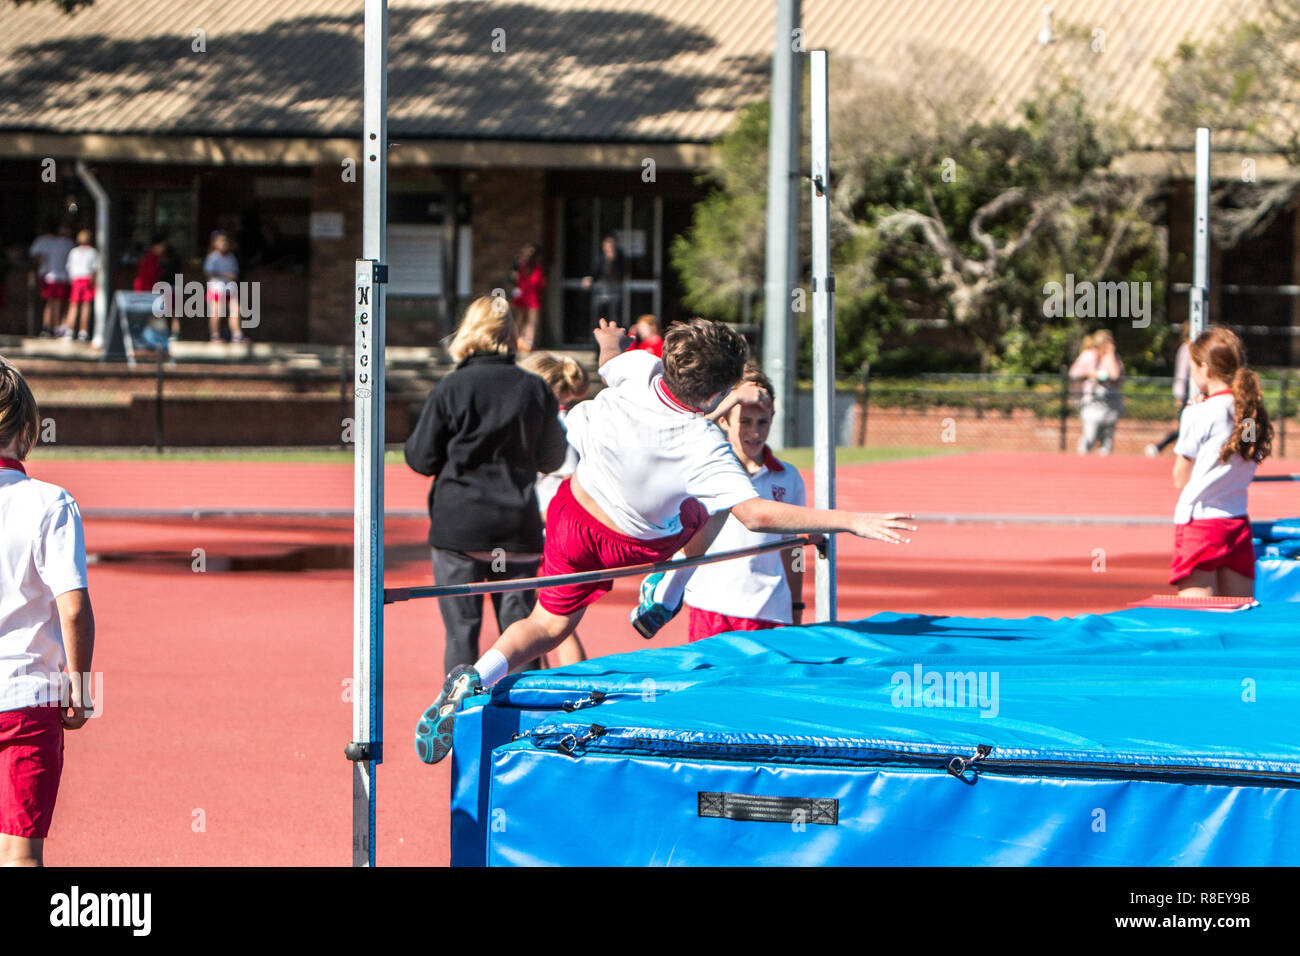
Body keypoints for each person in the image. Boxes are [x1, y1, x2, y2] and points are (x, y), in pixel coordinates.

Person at [414, 316, 917, 764]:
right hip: (632, 543)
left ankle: (475, 677)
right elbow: (757, 515)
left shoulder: (638, 371)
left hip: (571, 511)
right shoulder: (704, 445)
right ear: (719, 395)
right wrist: (848, 520)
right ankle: (669, 585)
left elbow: (612, 361)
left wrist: (609, 341)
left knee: (546, 623)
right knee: (712, 503)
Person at [405, 296, 568, 681]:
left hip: (459, 528)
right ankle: (525, 723)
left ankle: (456, 721)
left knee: (461, 632)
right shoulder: (534, 389)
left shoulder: (451, 387)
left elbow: (420, 458)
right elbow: (552, 458)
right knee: (522, 635)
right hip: (515, 526)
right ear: (510, 334)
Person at [0, 358, 95, 866]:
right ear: (29, 431)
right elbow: (73, 607)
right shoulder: (50, 504)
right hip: (25, 696)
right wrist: (79, 688)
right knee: (19, 853)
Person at [633, 362, 807, 642]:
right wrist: (734, 397)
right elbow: (684, 433)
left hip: (771, 612)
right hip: (712, 607)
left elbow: (795, 551)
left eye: (763, 422)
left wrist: (796, 603)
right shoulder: (707, 470)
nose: (755, 433)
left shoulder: (789, 478)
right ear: (725, 420)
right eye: (745, 422)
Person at [1169, 327, 1273, 598]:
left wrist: (1193, 414)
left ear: (1205, 368)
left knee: (1196, 625)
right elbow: (1249, 454)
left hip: (1202, 525)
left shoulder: (1198, 413)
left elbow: (1180, 478)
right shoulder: (1249, 413)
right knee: (1237, 622)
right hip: (1237, 524)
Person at [518, 351, 590, 667]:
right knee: (547, 622)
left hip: (551, 533)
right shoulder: (567, 422)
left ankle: (574, 686)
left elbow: (568, 485)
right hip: (555, 531)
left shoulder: (557, 427)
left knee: (552, 624)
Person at [1069, 329, 1125, 455]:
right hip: (1092, 403)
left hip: (1110, 404)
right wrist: (1089, 373)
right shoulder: (1088, 355)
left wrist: (1110, 355)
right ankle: (1081, 461)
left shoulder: (1113, 358)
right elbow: (1073, 373)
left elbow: (1115, 375)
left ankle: (1104, 471)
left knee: (1107, 442)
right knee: (1090, 437)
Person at [1146, 328, 1196, 456]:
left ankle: (1160, 447)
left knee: (1186, 427)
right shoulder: (1187, 348)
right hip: (1188, 393)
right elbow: (1182, 372)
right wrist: (1179, 395)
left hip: (1192, 393)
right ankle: (1160, 446)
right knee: (1184, 426)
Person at [28, 224, 74, 338]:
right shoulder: (70, 243)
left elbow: (40, 257)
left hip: (49, 276)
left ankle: (47, 326)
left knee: (50, 303)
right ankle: (56, 327)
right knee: (60, 303)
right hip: (63, 277)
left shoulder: (51, 243)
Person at [203, 231, 247, 344]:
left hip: (230, 289)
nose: (224, 243)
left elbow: (235, 273)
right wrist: (225, 274)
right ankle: (215, 336)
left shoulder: (231, 257)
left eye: (225, 241)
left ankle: (237, 335)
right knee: (216, 312)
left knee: (235, 311)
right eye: (221, 241)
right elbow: (208, 272)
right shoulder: (212, 257)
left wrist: (230, 276)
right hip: (216, 288)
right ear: (215, 243)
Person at [582, 235, 626, 327]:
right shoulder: (600, 258)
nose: (609, 248)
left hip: (614, 291)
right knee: (598, 316)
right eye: (607, 245)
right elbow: (595, 273)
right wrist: (588, 279)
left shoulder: (620, 258)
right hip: (600, 291)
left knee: (615, 316)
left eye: (611, 245)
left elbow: (621, 274)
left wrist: (612, 261)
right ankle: (596, 336)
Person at [63, 230, 98, 343]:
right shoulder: (92, 252)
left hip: (76, 279)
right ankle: (83, 332)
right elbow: (94, 269)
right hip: (87, 279)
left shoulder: (74, 252)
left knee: (73, 306)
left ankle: (69, 331)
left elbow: (69, 267)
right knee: (85, 307)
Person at [510, 244, 546, 353]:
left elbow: (515, 281)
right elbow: (541, 283)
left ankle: (516, 341)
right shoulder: (537, 269)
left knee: (520, 321)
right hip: (532, 297)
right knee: (531, 322)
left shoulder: (521, 268)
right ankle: (528, 343)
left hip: (522, 296)